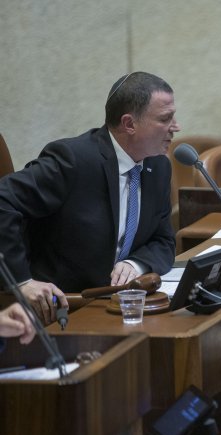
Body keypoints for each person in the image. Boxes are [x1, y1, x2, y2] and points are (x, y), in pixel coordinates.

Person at [0, 71, 178, 323]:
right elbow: (3, 200)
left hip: (121, 304)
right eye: (165, 119)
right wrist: (21, 281)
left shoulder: (157, 166)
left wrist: (137, 264)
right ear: (129, 124)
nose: (176, 127)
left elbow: (164, 241)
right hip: (63, 308)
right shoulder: (73, 160)